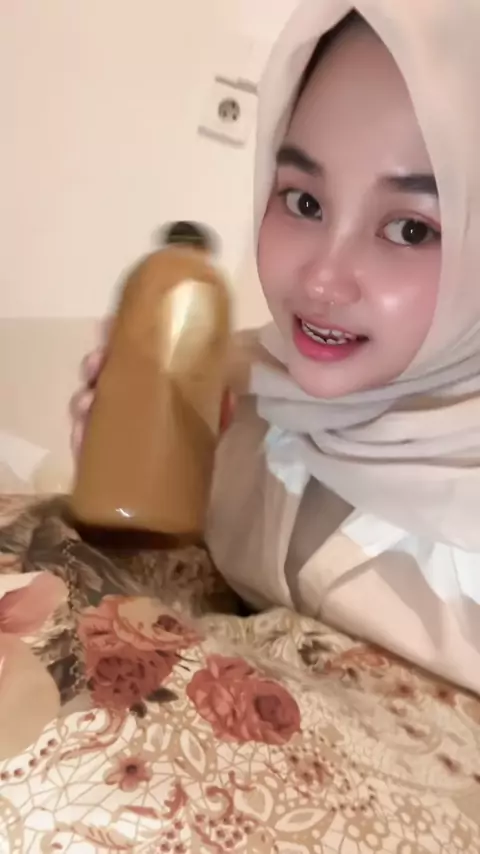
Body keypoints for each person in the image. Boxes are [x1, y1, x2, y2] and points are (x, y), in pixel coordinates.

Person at [70, 1, 480, 694]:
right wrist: (144, 497)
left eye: (411, 229)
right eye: (304, 202)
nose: (321, 280)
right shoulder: (241, 395)